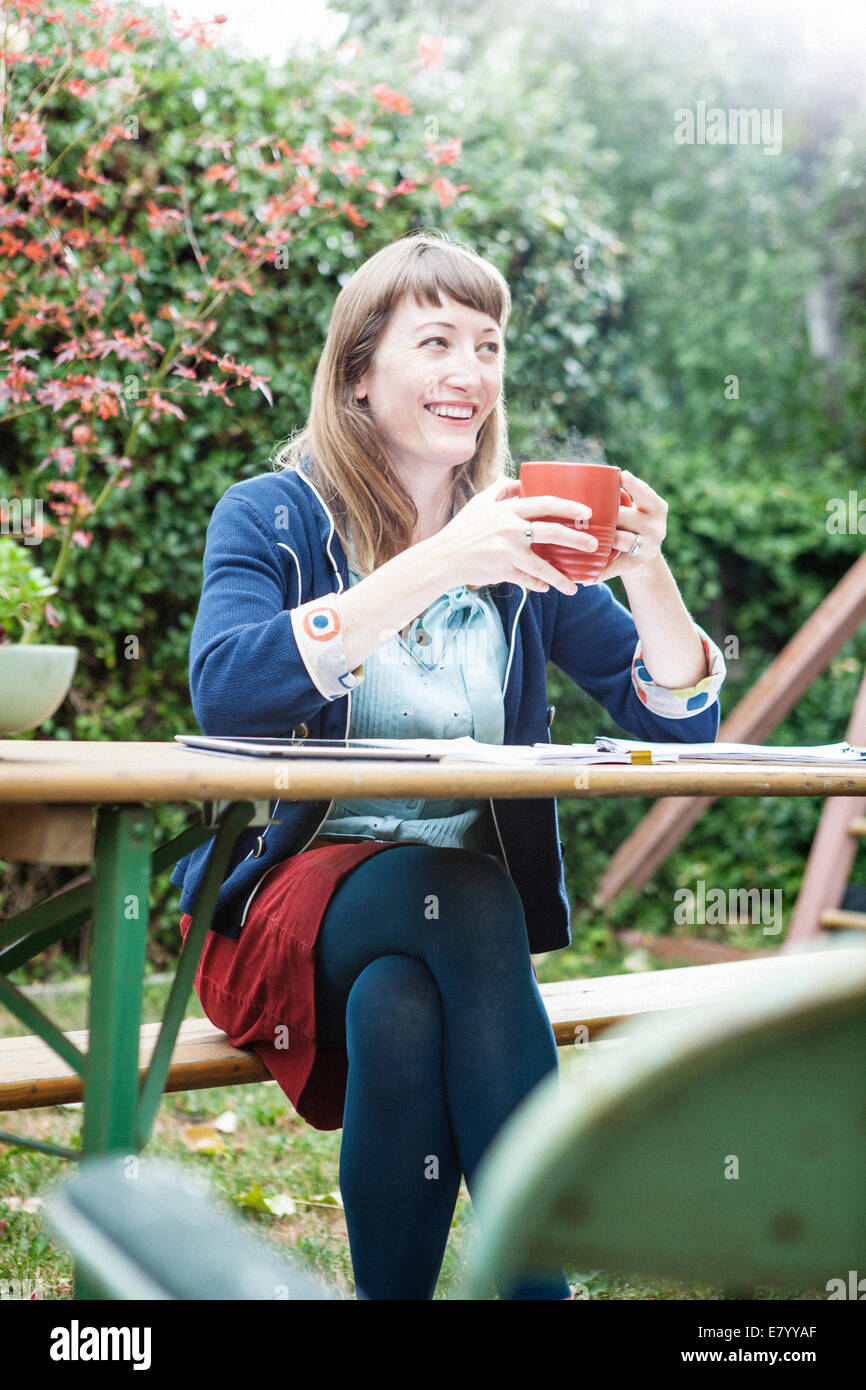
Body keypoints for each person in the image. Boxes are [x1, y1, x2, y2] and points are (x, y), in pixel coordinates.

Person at [171, 228, 726, 1300]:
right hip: (283, 913)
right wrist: (439, 563)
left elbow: (677, 724)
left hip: (432, 945)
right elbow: (229, 687)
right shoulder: (273, 516)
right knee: (465, 894)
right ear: (359, 375)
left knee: (400, 1009)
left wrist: (648, 572)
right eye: (435, 342)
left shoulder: (520, 544)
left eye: (487, 344)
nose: (469, 372)